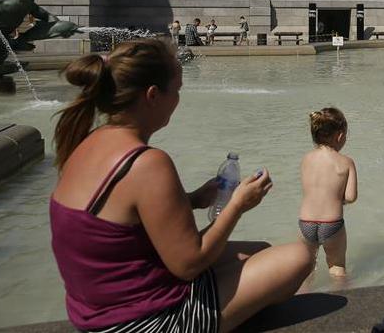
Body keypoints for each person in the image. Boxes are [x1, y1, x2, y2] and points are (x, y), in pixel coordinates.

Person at [49, 38, 312, 333]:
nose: (178, 100)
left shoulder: (87, 141)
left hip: (99, 309)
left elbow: (118, 219)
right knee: (299, 257)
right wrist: (238, 205)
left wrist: (194, 199)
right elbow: (189, 264)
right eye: (176, 91)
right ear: (152, 95)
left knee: (262, 251)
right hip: (141, 322)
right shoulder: (147, 163)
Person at [299, 108, 358, 277]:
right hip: (332, 223)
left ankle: (303, 298)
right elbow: (350, 197)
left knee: (305, 268)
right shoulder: (346, 162)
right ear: (339, 136)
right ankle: (344, 299)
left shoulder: (306, 159)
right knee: (337, 266)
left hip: (306, 222)